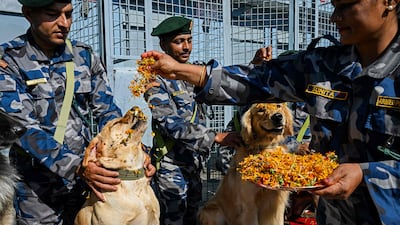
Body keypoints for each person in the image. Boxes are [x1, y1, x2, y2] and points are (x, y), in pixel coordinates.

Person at [141, 0, 400, 224]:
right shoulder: (323, 65)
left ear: (389, 2)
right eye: (334, 6)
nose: (334, 17)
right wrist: (179, 71)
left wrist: (366, 175)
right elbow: (256, 80)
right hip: (332, 215)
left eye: (346, 5)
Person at [0, 0, 155, 224]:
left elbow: (108, 113)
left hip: (89, 180)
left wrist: (135, 152)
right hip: (38, 189)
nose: (64, 23)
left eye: (69, 14)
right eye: (52, 14)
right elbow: (25, 129)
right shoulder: (9, 61)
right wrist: (77, 168)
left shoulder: (83, 56)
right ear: (28, 14)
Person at [144, 16, 241, 225]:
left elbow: (221, 83)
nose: (186, 47)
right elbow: (170, 123)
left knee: (193, 217)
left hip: (195, 164)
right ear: (163, 45)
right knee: (174, 219)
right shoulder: (154, 80)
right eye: (179, 41)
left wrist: (254, 66)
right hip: (171, 167)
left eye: (189, 40)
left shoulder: (192, 74)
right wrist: (215, 137)